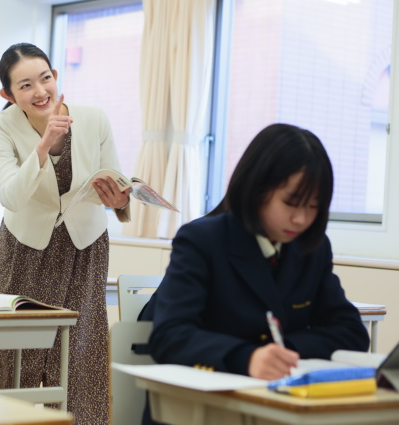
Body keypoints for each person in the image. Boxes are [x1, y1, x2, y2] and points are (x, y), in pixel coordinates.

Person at [138, 123, 369, 425]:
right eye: (290, 203)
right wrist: (246, 357)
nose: (301, 219)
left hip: (275, 407)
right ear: (258, 188)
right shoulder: (203, 240)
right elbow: (170, 336)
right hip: (200, 408)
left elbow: (351, 332)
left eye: (313, 207)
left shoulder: (312, 249)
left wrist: (284, 354)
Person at [0, 43, 131, 424]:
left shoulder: (94, 117)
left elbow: (113, 179)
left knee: (81, 349)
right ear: (8, 94)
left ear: (55, 76)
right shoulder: (1, 127)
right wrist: (44, 143)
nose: (40, 91)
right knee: (19, 348)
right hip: (27, 244)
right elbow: (11, 197)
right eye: (25, 85)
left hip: (85, 243)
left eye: (46, 78)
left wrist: (118, 199)